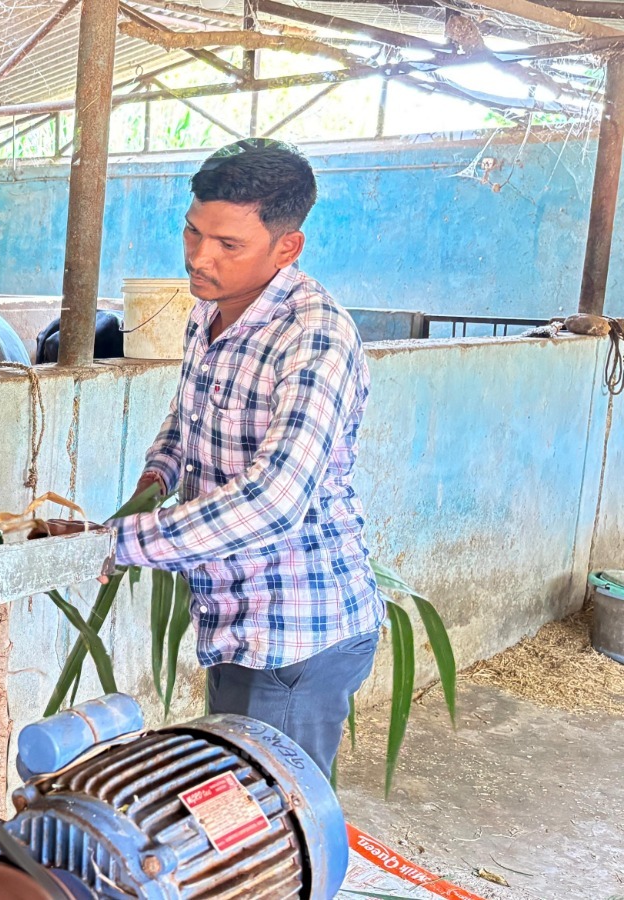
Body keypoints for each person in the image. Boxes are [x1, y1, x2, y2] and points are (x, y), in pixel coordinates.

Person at [108, 139, 385, 779]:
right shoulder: (210, 307)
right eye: (193, 232)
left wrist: (121, 541)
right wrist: (160, 472)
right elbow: (189, 411)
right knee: (233, 800)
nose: (200, 258)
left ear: (287, 247)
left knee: (270, 832)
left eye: (228, 245)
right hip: (233, 616)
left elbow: (275, 501)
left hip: (293, 638)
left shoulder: (314, 337)